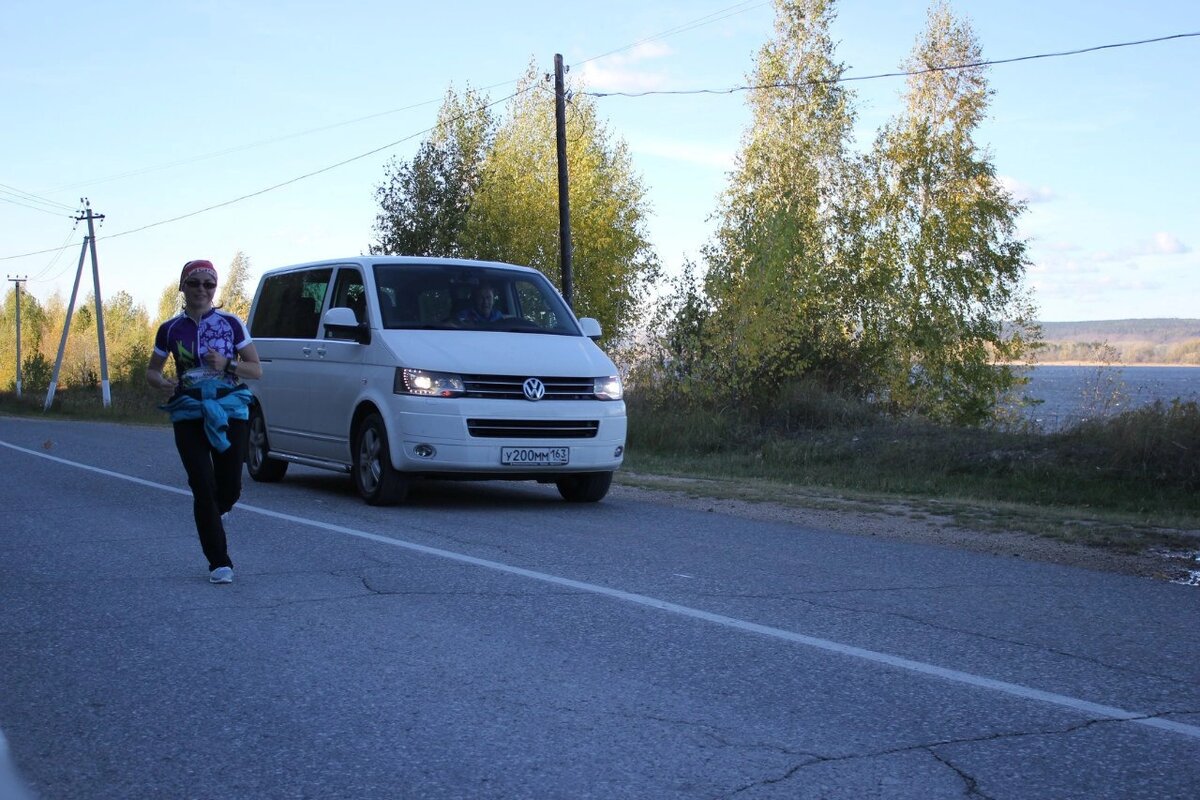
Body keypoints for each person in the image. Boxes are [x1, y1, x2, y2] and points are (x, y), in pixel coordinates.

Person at [146, 259, 263, 584]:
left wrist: (227, 364)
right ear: (182, 286)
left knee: (229, 488)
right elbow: (152, 371)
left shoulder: (231, 324)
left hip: (229, 410)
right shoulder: (170, 329)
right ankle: (219, 562)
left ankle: (218, 509)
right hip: (188, 410)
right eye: (194, 283)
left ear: (215, 289)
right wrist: (162, 382)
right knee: (201, 485)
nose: (201, 290)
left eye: (208, 284)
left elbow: (256, 369)